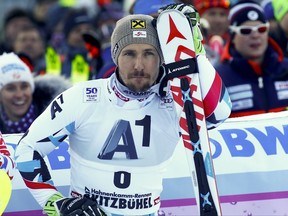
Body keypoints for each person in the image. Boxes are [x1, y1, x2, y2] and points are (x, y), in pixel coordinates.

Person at [15, 11, 231, 215]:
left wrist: (195, 50)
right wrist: (54, 202)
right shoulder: (83, 97)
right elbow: (28, 148)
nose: (139, 65)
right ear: (115, 56)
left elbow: (219, 112)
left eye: (149, 54)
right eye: (129, 53)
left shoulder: (175, 101)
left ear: (161, 58)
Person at [216, 0, 288, 117]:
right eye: (246, 31)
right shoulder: (218, 78)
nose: (255, 35)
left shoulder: (285, 68)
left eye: (261, 29)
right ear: (233, 36)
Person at [0, 52, 71, 134]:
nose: (19, 95)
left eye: (24, 86)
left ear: (32, 89)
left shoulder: (60, 120)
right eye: (11, 88)